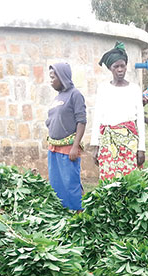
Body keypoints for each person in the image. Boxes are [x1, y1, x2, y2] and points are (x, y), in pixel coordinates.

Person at [90, 42, 145, 181]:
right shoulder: (103, 89)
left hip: (129, 142)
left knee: (129, 181)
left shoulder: (134, 89)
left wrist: (141, 148)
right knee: (109, 180)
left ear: (126, 66)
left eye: (123, 66)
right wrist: (95, 146)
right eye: (116, 66)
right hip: (108, 141)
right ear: (110, 68)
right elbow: (97, 118)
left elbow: (140, 121)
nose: (120, 69)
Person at [46, 62, 87, 210]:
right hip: (54, 148)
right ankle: (62, 211)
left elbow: (81, 121)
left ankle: (77, 212)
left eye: (53, 77)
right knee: (56, 182)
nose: (51, 81)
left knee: (70, 182)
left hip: (68, 148)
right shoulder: (58, 97)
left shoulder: (75, 95)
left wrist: (75, 146)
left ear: (62, 77)